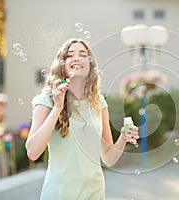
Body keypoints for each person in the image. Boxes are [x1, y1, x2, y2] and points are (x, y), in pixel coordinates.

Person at [25, 38, 139, 200]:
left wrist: (123, 138)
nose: (77, 58)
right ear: (62, 65)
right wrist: (57, 107)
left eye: (83, 55)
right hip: (61, 194)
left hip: (95, 193)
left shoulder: (98, 102)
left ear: (90, 65)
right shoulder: (47, 100)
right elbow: (33, 152)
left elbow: (108, 158)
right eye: (70, 55)